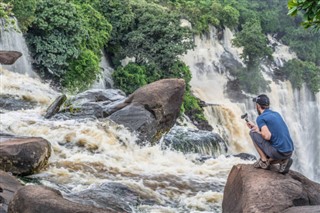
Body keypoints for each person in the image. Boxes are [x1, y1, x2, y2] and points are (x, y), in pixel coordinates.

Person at [247, 94, 294, 174]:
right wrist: (258, 129)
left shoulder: (260, 118)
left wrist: (257, 131)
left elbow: (267, 136)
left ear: (258, 106)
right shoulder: (276, 114)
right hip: (289, 151)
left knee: (252, 133)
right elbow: (273, 131)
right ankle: (284, 160)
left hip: (279, 152)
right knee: (257, 132)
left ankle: (264, 161)